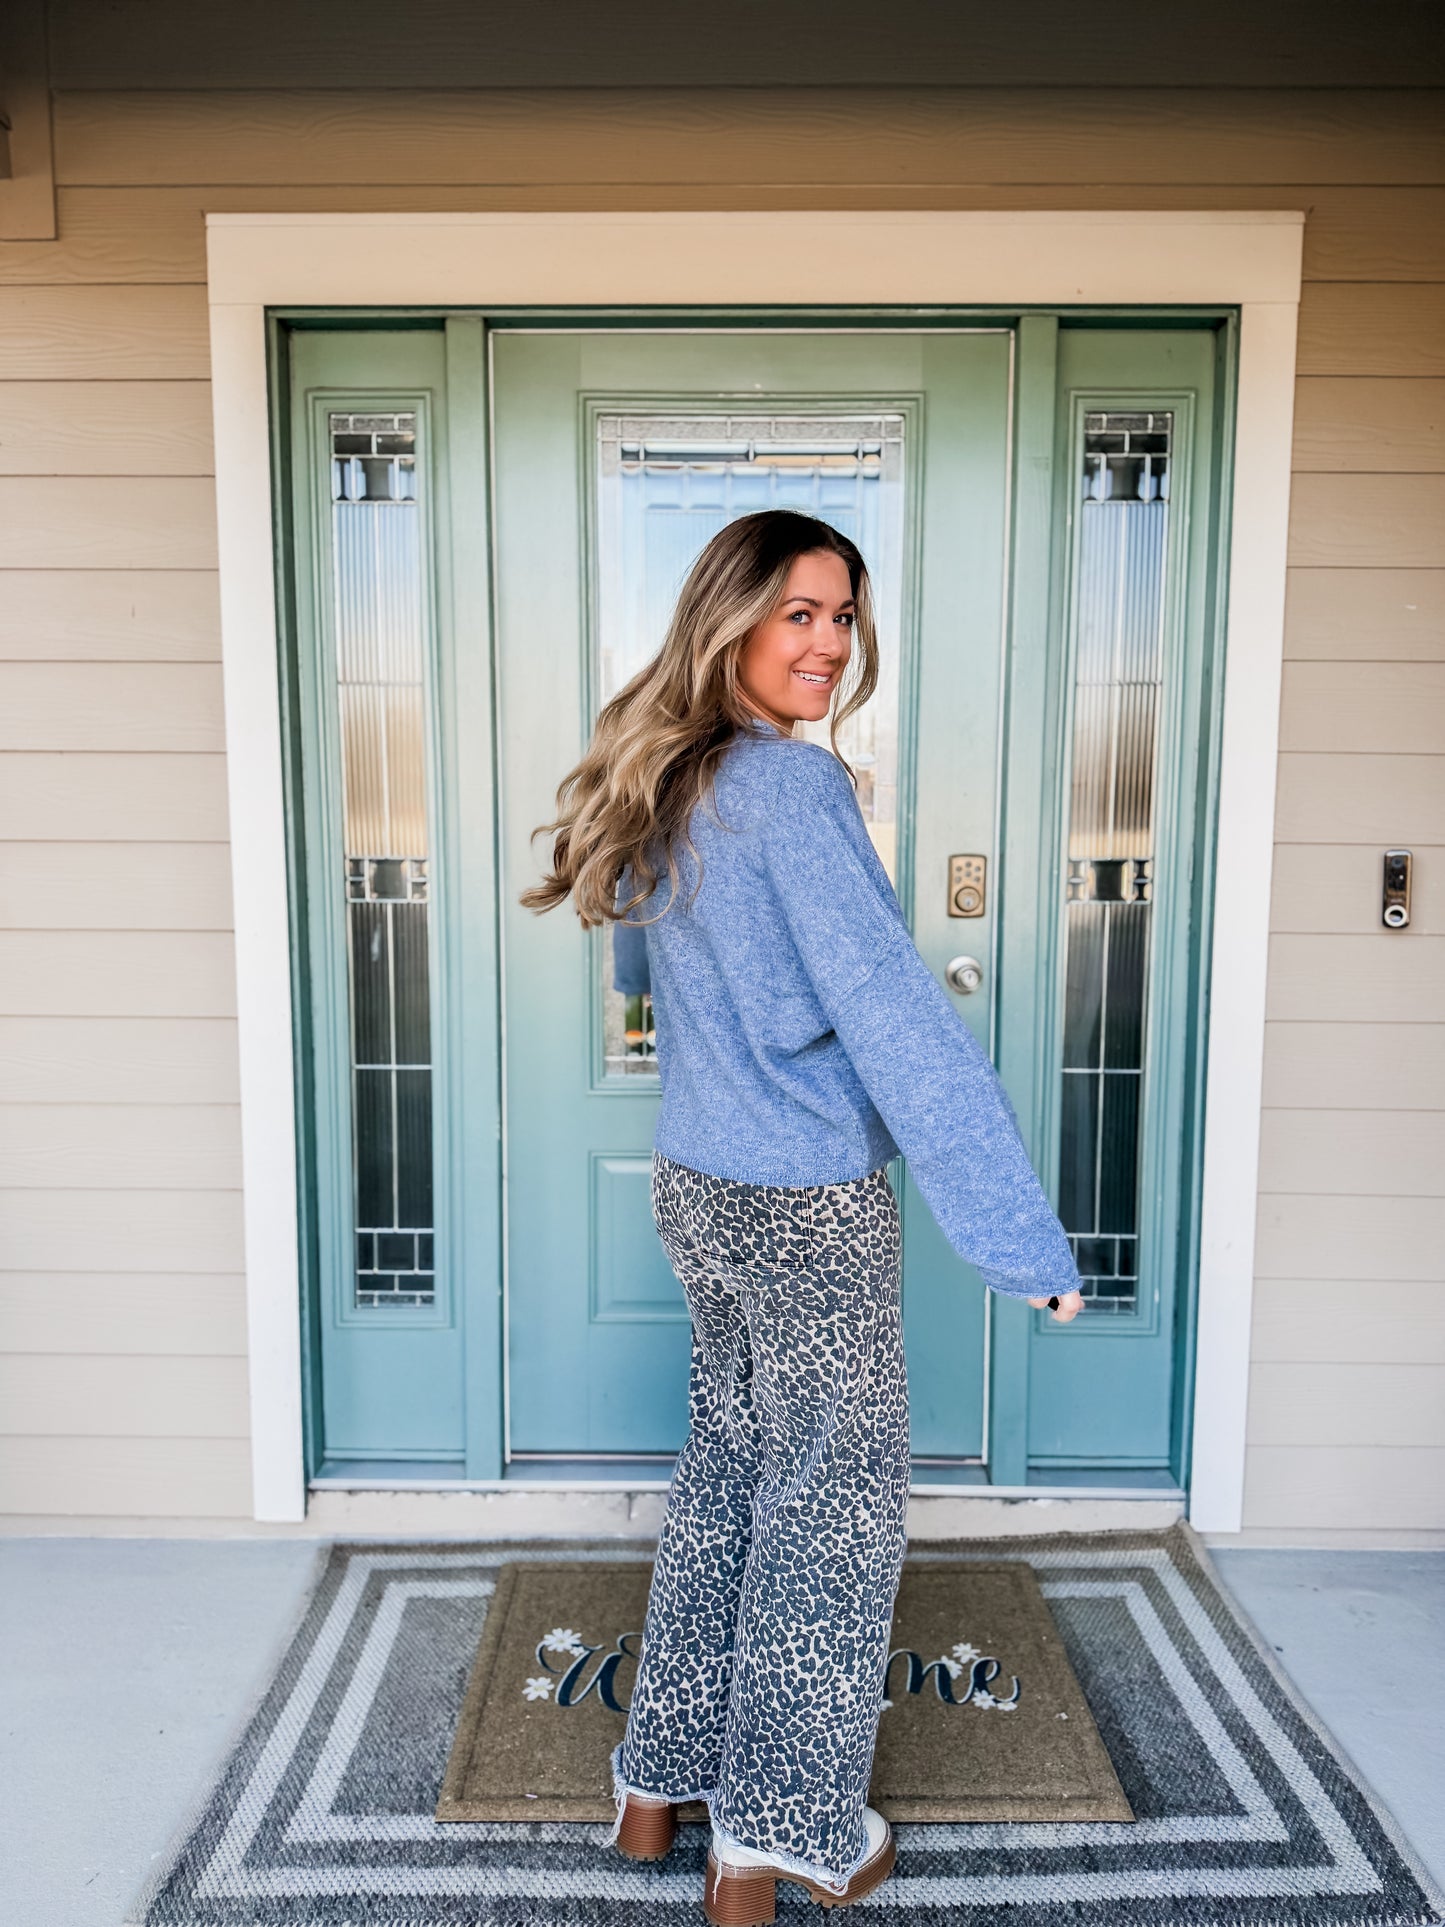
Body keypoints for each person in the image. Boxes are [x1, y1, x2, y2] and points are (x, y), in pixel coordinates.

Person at [522, 508, 1085, 1923]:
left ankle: (655, 1789)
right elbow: (894, 1020)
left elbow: (658, 980)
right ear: (731, 622)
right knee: (829, 1515)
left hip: (697, 1184)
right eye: (798, 615)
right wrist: (1016, 1236)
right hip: (801, 1204)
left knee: (726, 1477)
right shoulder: (787, 789)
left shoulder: (679, 778)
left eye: (843, 616)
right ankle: (778, 1835)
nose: (828, 644)